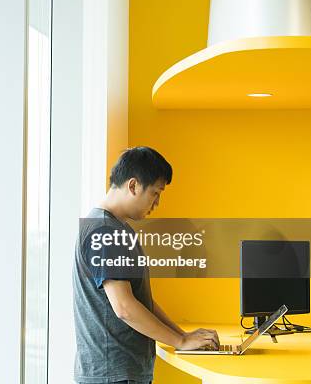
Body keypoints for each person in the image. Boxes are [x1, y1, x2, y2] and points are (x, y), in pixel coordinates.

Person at [72, 146, 219, 384]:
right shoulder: (105, 231)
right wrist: (180, 342)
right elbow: (124, 307)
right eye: (155, 193)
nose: (157, 202)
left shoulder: (113, 228)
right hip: (113, 376)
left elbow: (141, 301)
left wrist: (181, 335)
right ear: (133, 186)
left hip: (119, 373)